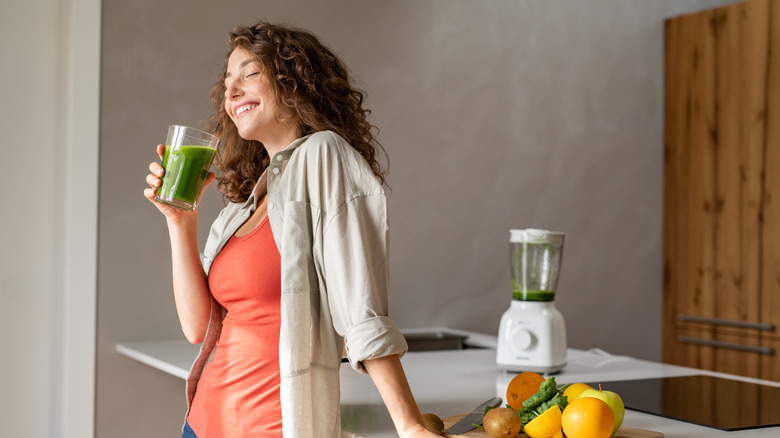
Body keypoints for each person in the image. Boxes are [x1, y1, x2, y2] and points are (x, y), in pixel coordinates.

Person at [144, 21, 441, 438]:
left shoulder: (324, 155)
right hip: (199, 424)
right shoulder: (240, 208)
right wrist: (180, 221)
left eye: (249, 73)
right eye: (227, 81)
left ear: (294, 82)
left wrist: (409, 425)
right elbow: (198, 327)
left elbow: (361, 307)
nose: (231, 92)